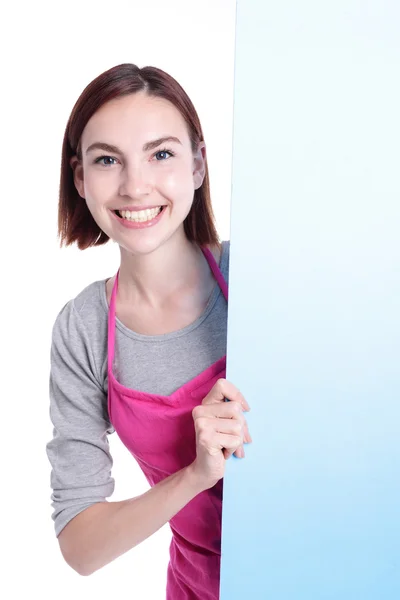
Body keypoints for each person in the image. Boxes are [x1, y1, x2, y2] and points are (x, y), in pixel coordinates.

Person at [46, 62, 252, 600]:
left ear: (198, 164)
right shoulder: (83, 329)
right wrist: (194, 475)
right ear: (80, 179)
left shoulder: (259, 276)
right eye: (108, 160)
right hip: (200, 588)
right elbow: (81, 547)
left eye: (161, 154)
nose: (135, 186)